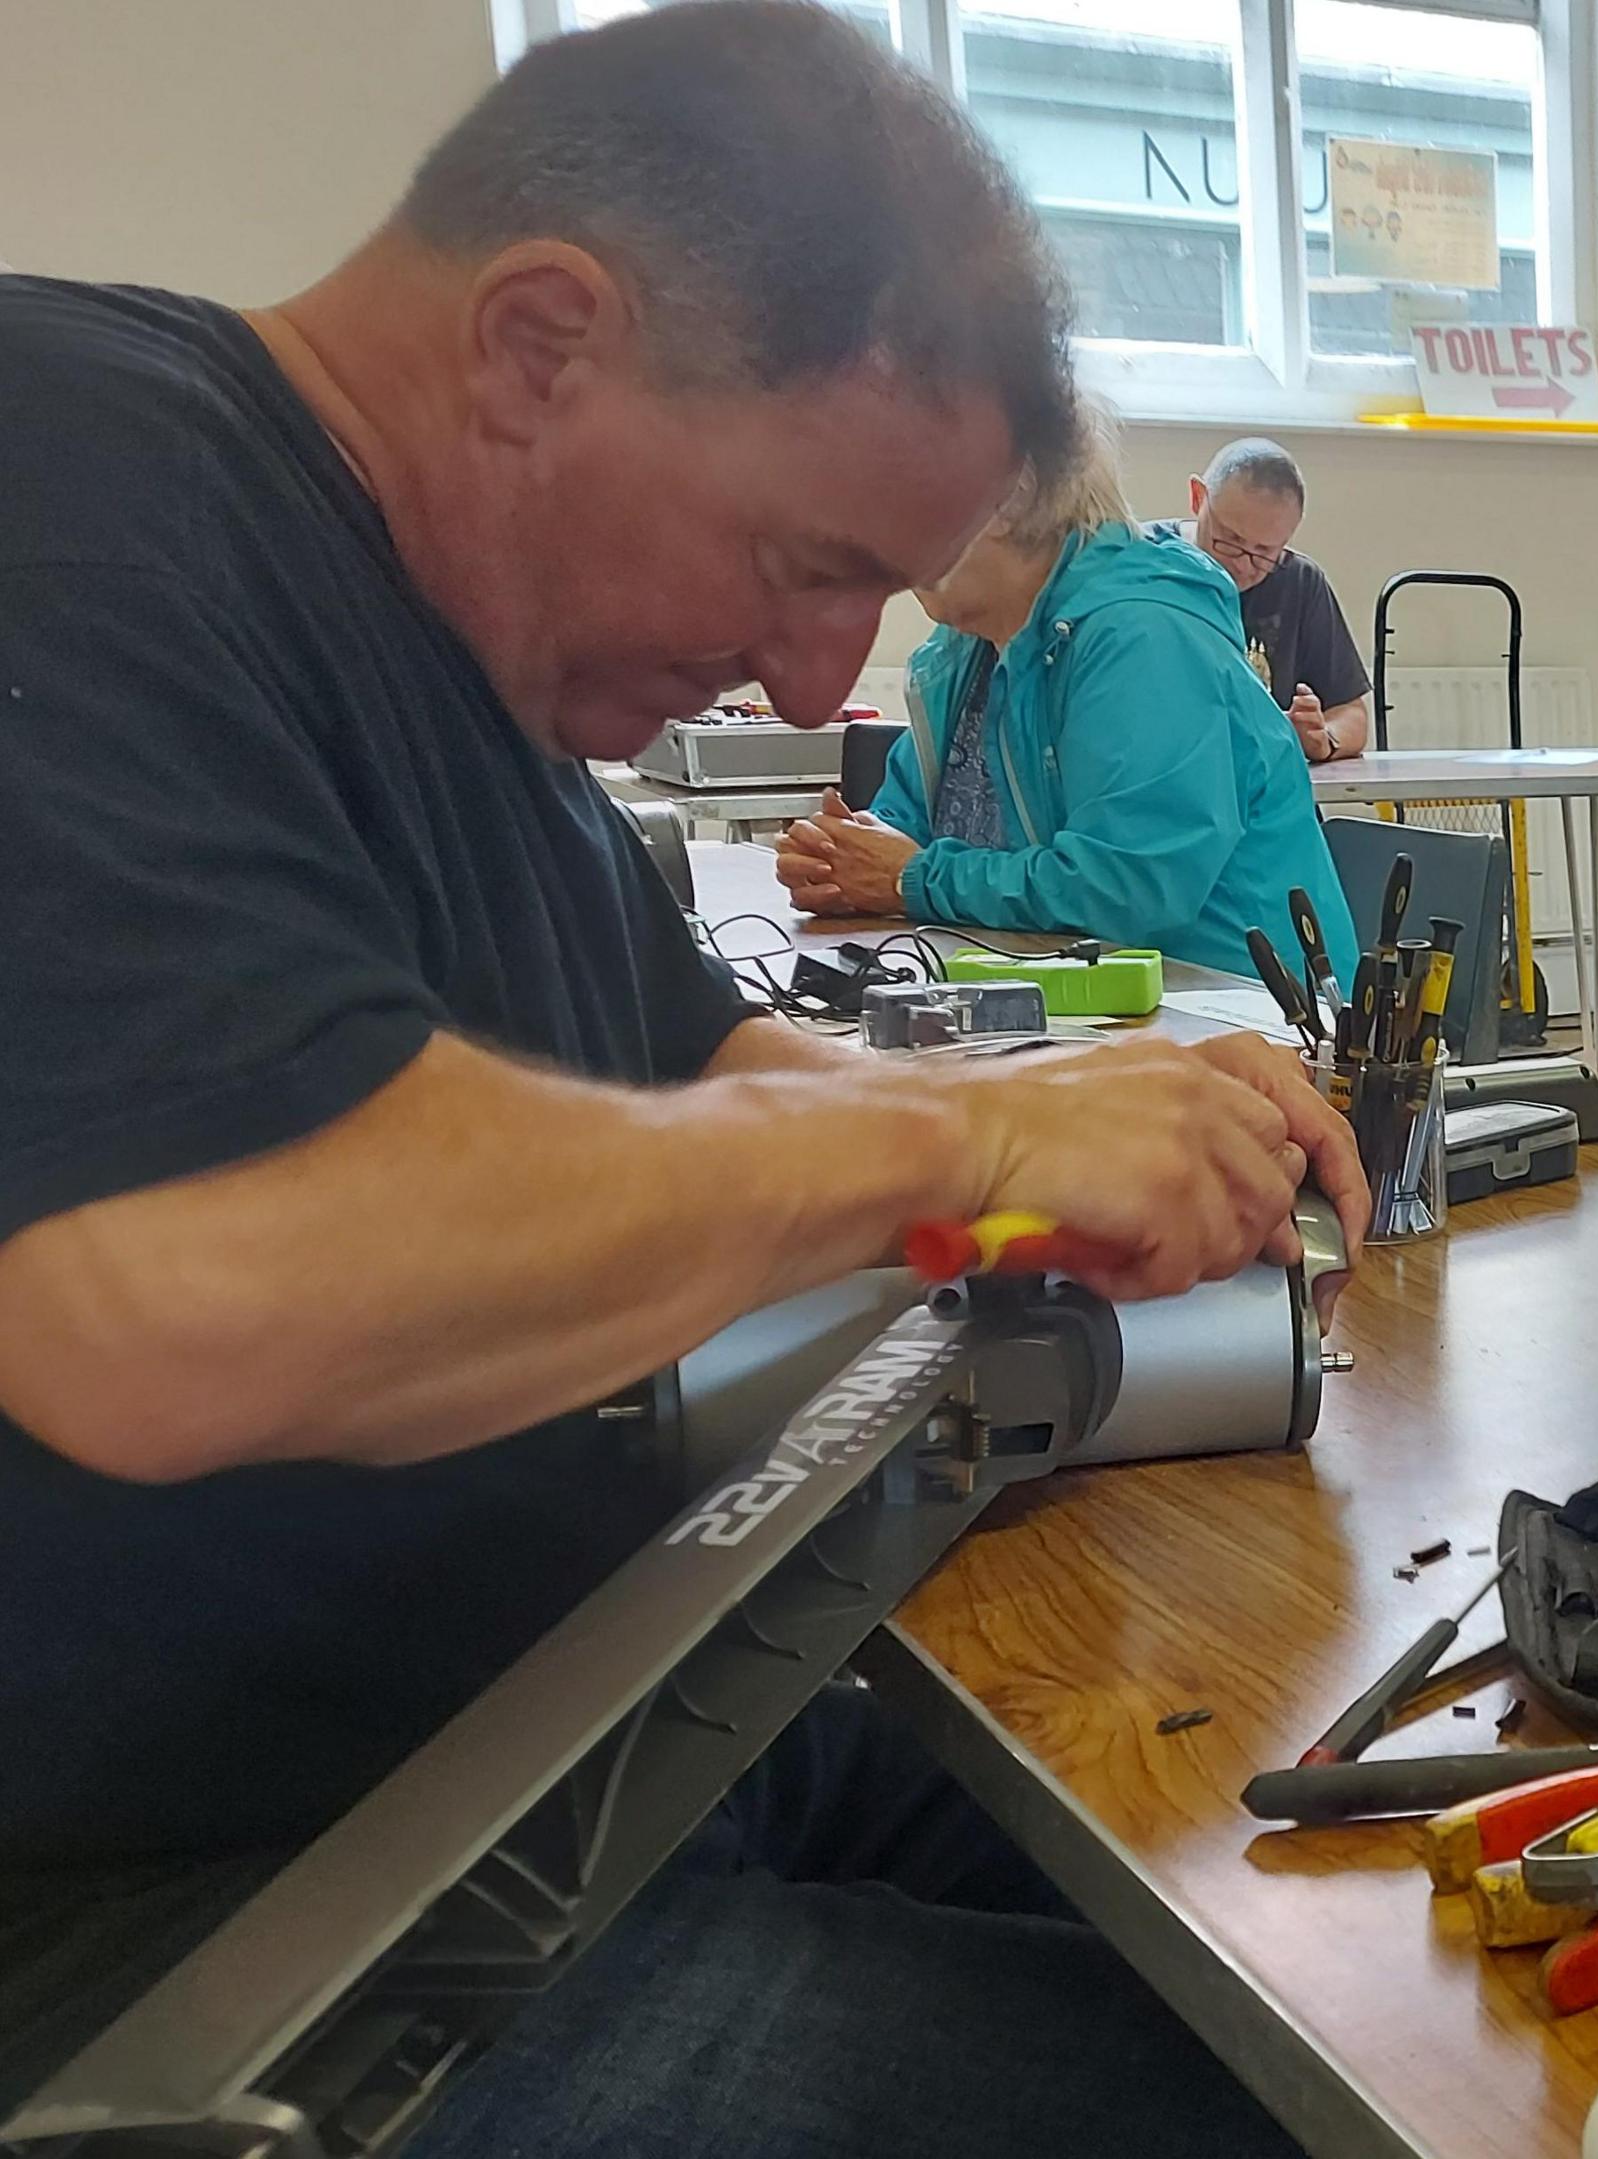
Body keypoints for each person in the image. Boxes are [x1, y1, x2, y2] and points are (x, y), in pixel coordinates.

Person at [0, 6, 1354, 2146]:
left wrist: (1084, 1168)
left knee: (1339, 1930)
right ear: (541, 343)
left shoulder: (498, 709)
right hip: (200, 1940)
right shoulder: (65, 480)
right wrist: (979, 1126)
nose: (825, 677)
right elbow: (170, 1297)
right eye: (809, 564)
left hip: (557, 1735)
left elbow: (727, 1081)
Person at [776, 416, 1361, 978]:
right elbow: (907, 828)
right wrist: (844, 861)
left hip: (1244, 1019)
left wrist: (911, 879)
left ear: (1008, 501)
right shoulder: (965, 646)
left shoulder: (1142, 635)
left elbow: (1128, 889)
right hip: (1095, 1008)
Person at [1148, 437, 1371, 762]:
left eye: (1264, 552)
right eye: (1230, 540)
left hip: (1266, 794)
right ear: (1198, 498)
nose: (1242, 564)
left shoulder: (1299, 581)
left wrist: (1322, 737)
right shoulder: (1143, 564)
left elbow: (1352, 713)